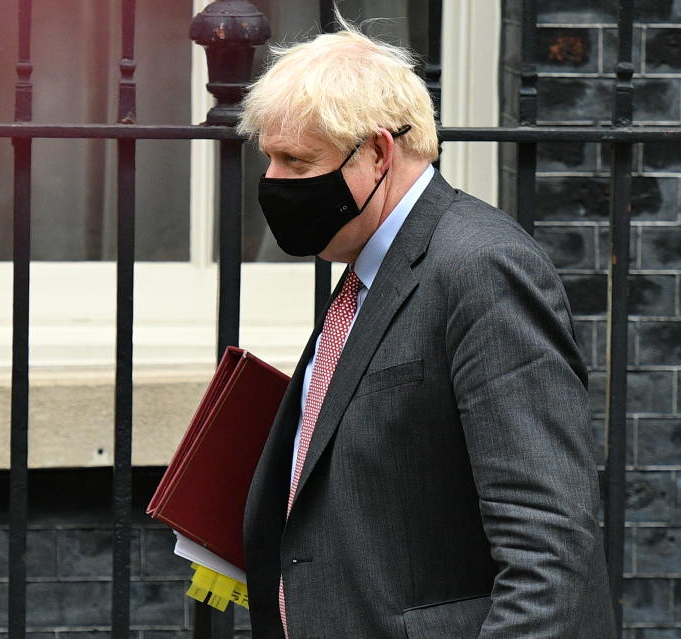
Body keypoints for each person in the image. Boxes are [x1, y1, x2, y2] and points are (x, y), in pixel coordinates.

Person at [238, 14, 616, 639]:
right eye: (270, 159)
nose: (273, 183)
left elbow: (549, 542)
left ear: (380, 153)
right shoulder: (371, 265)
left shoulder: (481, 267)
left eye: (297, 162)